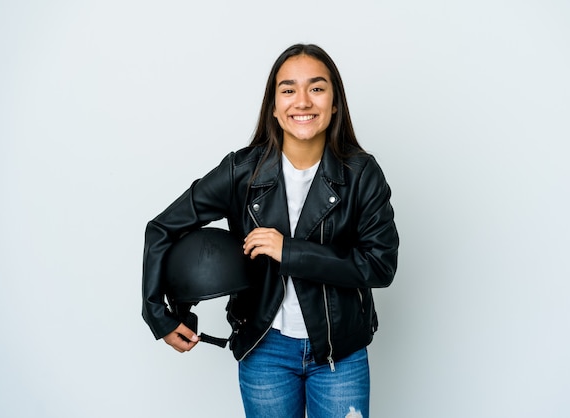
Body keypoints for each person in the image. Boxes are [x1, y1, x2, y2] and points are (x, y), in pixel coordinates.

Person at [142, 43, 399, 418]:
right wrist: (159, 314)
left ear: (335, 103)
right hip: (265, 350)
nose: (303, 101)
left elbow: (380, 265)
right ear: (275, 107)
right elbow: (163, 227)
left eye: (317, 88)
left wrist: (289, 251)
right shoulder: (241, 171)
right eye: (288, 90)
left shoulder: (362, 174)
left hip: (339, 353)